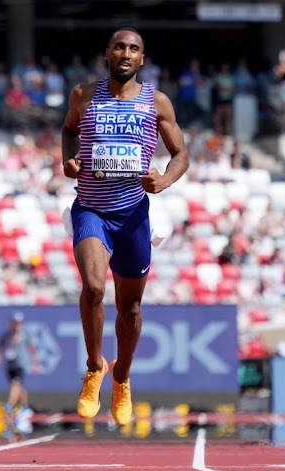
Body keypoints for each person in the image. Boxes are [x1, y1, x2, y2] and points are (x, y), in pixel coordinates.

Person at [60, 28, 189, 426]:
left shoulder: (157, 102)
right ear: (108, 54)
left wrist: (165, 180)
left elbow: (181, 153)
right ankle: (94, 367)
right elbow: (68, 132)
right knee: (95, 288)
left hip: (133, 214)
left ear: (142, 59)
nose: (126, 53)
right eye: (119, 47)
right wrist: (70, 161)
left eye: (134, 48)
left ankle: (122, 376)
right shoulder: (83, 95)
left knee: (130, 308)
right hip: (91, 210)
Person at [0, 312, 40, 422]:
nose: (16, 325)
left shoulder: (25, 335)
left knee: (15, 384)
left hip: (21, 364)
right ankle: (25, 407)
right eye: (15, 323)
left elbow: (33, 349)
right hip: (10, 364)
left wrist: (36, 364)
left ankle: (9, 405)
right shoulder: (6, 335)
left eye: (18, 323)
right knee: (19, 386)